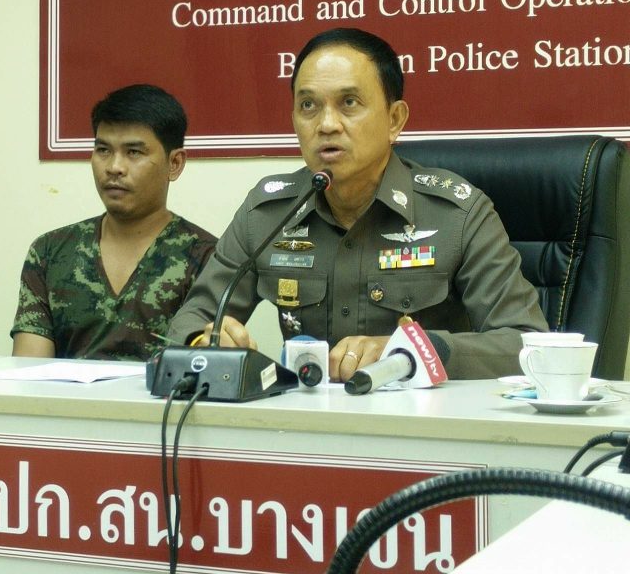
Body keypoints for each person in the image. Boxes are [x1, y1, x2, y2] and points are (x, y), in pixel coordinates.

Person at [168, 27, 549, 380]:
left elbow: (525, 342)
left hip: (426, 432)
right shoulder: (268, 212)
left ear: (395, 119)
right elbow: (191, 321)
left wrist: (413, 350)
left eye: (349, 103)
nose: (327, 124)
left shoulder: (458, 214)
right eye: (308, 106)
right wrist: (207, 345)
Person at [11, 84, 216, 361]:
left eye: (134, 152)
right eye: (103, 150)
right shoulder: (50, 252)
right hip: (64, 404)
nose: (114, 167)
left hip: (162, 403)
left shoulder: (207, 257)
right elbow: (28, 371)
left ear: (175, 163)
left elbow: (204, 367)